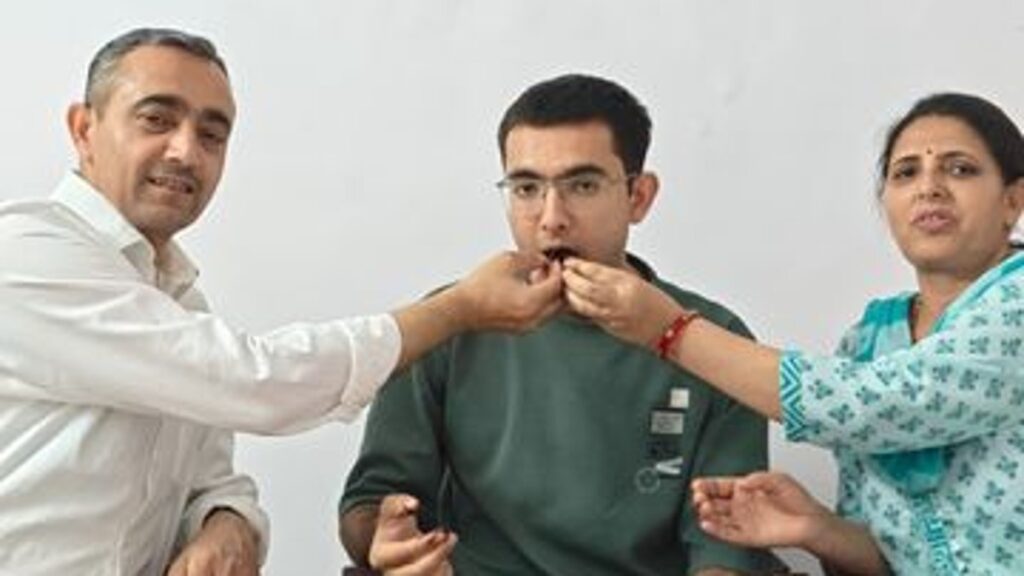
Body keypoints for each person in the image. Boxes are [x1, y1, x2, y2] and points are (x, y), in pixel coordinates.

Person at [0, 28, 563, 576]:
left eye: (212, 134)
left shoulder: (181, 299)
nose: (186, 151)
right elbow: (253, 382)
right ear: (84, 129)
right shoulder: (25, 254)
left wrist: (227, 521)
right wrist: (458, 309)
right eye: (157, 120)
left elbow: (212, 479)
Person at [339, 74, 784, 576]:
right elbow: (368, 505)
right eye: (527, 188)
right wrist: (387, 535)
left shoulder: (713, 338)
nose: (551, 218)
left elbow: (724, 552)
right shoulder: (448, 320)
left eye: (583, 185)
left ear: (638, 196)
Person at [561, 92, 1024, 575]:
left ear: (1013, 200)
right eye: (906, 172)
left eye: (960, 169)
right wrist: (818, 530)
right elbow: (892, 563)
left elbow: (875, 403)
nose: (929, 188)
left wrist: (671, 331)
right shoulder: (870, 339)